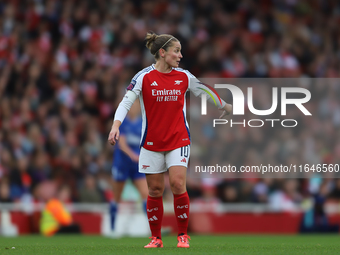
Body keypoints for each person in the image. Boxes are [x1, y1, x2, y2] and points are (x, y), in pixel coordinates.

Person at [108, 32, 232, 248]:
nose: (180, 55)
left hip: (178, 139)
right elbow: (126, 102)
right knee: (155, 190)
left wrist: (224, 105)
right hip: (151, 143)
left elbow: (203, 89)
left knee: (176, 183)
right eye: (177, 51)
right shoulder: (143, 77)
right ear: (163, 53)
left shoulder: (184, 76)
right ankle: (156, 238)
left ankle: (182, 236)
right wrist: (115, 125)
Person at [109, 101, 148, 232]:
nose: (134, 107)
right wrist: (134, 155)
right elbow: (122, 144)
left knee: (145, 193)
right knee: (117, 196)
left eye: (137, 105)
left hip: (136, 165)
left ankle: (151, 229)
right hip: (122, 163)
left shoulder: (142, 122)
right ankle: (113, 228)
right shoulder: (123, 122)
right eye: (132, 105)